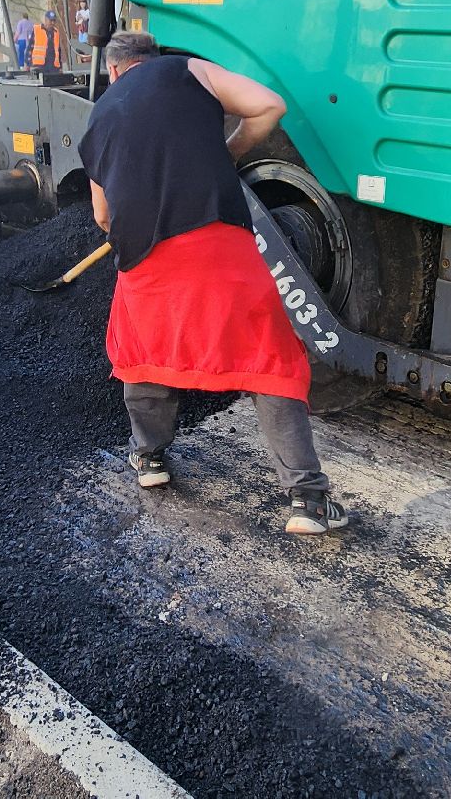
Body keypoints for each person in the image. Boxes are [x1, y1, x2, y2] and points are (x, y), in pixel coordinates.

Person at [77, 30, 349, 535]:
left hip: (145, 256)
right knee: (267, 359)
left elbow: (102, 216)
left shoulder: (98, 115)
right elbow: (268, 106)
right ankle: (307, 501)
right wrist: (228, 151)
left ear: (114, 70)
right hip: (218, 241)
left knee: (145, 353)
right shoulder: (188, 70)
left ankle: (150, 460)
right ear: (150, 59)